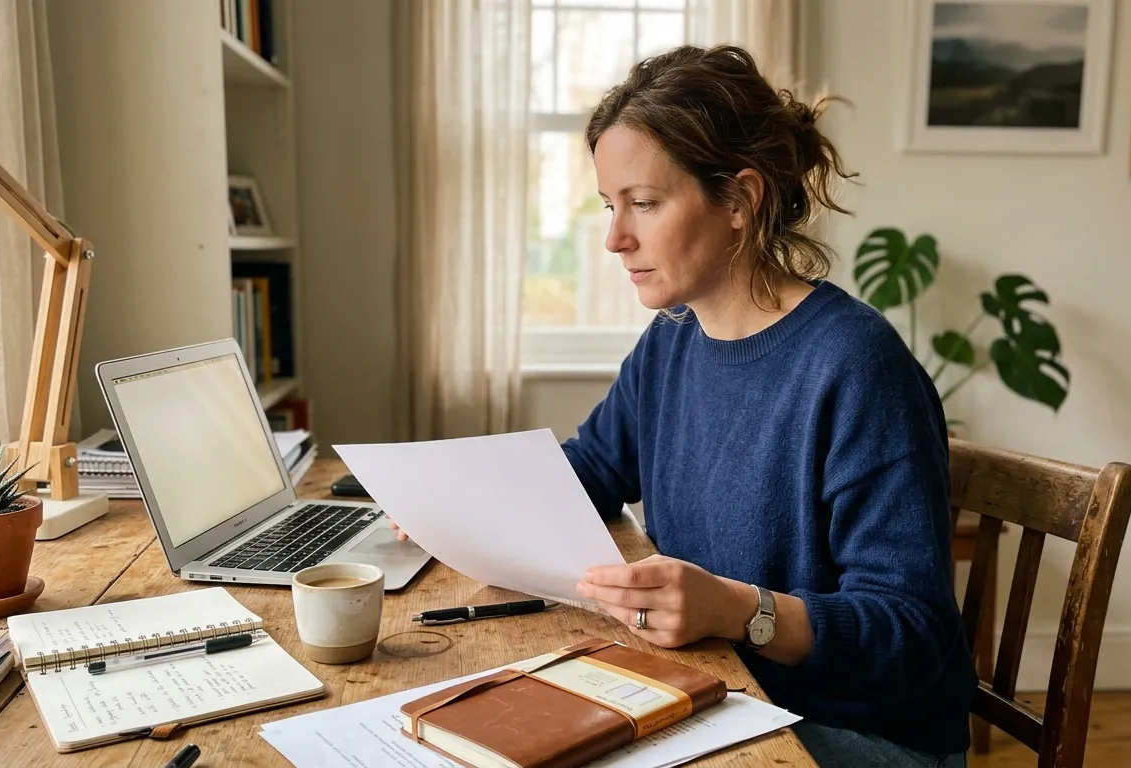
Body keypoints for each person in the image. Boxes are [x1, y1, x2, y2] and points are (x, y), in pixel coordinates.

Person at [389, 43, 976, 768]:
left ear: (739, 199)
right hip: (720, 693)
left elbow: (912, 633)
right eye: (610, 205)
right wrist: (457, 495)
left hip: (859, 733)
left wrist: (737, 609)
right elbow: (594, 466)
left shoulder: (857, 368)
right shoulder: (674, 340)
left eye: (644, 203)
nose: (614, 238)